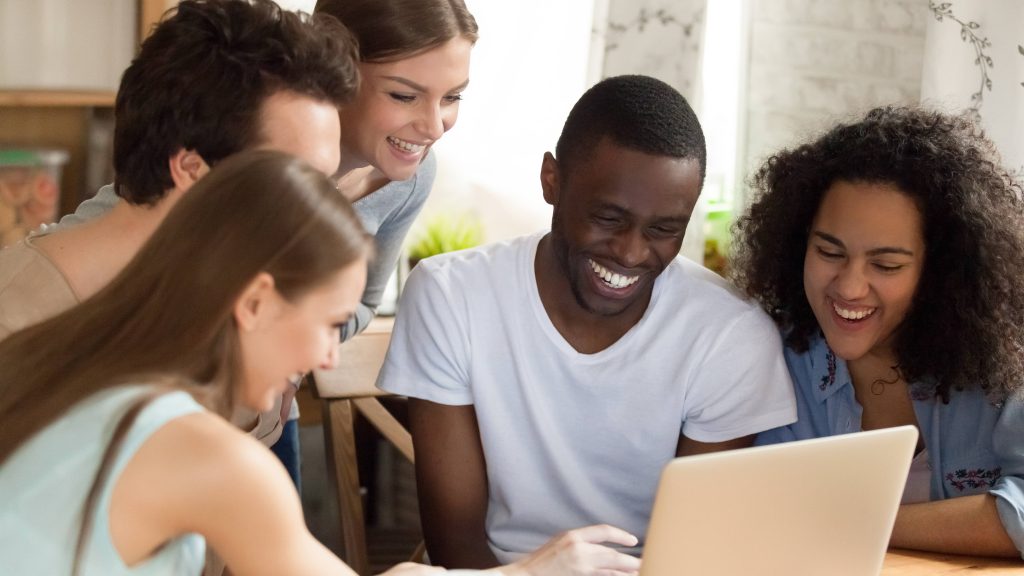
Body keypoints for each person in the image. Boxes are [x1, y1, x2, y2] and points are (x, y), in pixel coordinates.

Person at [0, 150, 643, 576]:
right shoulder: (207, 455)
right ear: (254, 301)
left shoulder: (68, 364)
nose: (331, 356)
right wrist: (534, 571)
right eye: (330, 324)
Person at [377, 75, 798, 567]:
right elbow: (458, 548)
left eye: (664, 230)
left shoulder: (729, 335)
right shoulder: (451, 295)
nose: (632, 252)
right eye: (609, 218)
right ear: (552, 181)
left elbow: (695, 557)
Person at [55, 0, 480, 486]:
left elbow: (362, 301)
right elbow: (119, 222)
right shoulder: (247, 142)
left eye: (453, 97)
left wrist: (288, 344)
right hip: (154, 402)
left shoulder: (410, 176)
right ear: (338, 66)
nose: (433, 125)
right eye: (404, 95)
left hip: (262, 405)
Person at [0, 0, 357, 489]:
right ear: (191, 170)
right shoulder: (15, 325)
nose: (316, 213)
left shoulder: (239, 310)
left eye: (326, 185)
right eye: (297, 182)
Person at [731, 106, 1024, 558]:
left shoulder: (1005, 356)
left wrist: (854, 522)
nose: (849, 287)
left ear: (942, 269)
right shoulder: (773, 355)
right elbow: (754, 509)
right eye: (829, 251)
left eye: (886, 265)